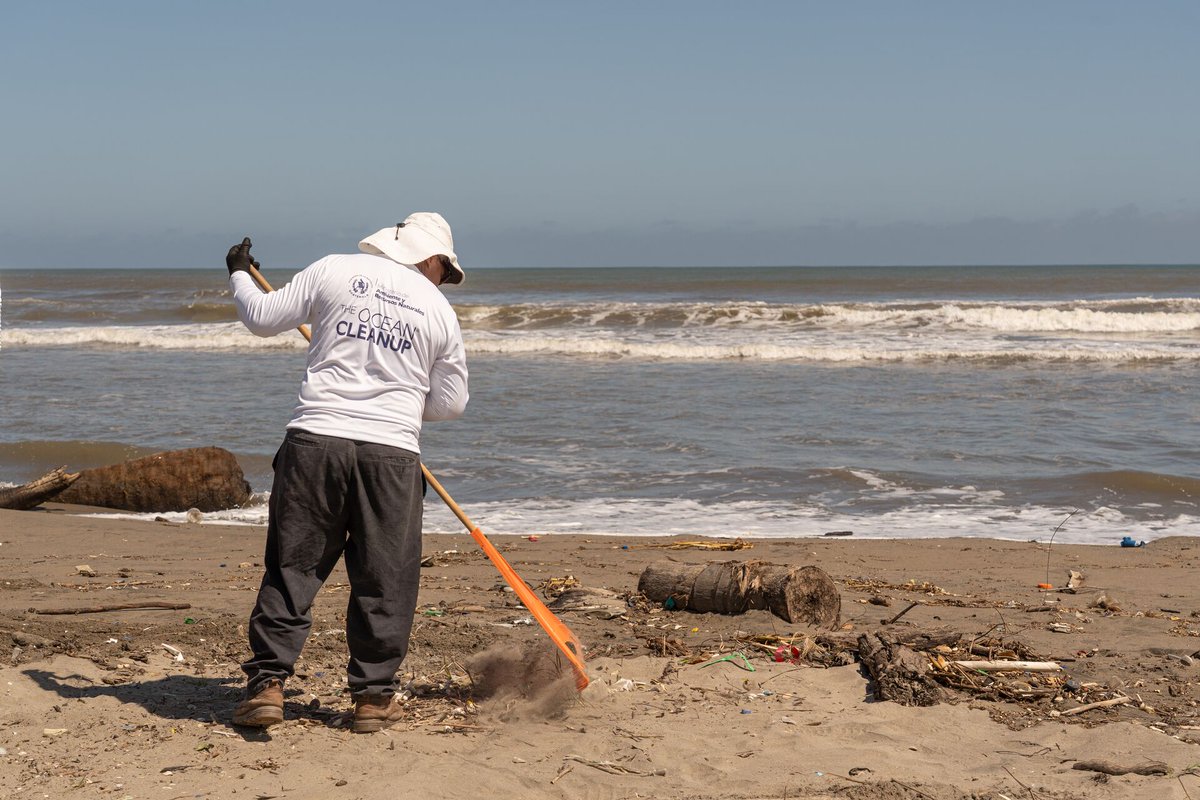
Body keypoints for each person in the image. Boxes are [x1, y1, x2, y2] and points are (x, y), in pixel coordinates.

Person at [225, 212, 469, 733]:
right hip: (392, 456)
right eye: (444, 270)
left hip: (317, 440)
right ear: (429, 258)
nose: (441, 279)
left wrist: (239, 272)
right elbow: (450, 404)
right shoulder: (439, 310)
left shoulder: (333, 268)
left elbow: (263, 317)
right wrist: (400, 393)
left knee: (294, 566)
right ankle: (373, 700)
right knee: (387, 579)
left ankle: (268, 685)